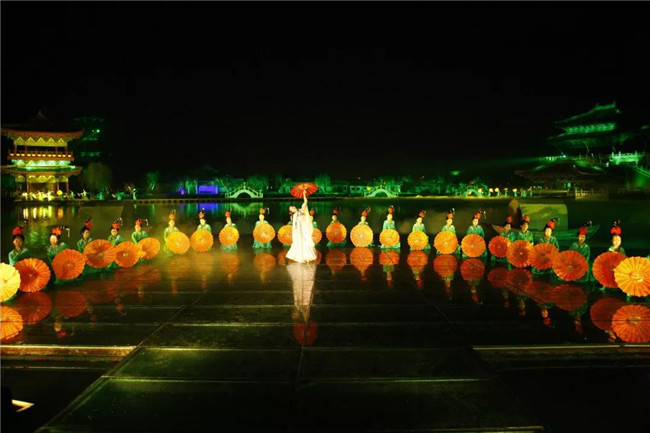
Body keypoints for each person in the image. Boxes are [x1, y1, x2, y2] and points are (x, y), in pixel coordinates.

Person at [286, 190, 317, 263]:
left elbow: (305, 202)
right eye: (291, 208)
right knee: (299, 243)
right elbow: (295, 226)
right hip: (299, 231)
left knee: (305, 243)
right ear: (291, 211)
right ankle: (298, 257)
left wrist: (304, 194)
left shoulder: (301, 211)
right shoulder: (294, 216)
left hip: (304, 230)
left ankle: (306, 256)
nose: (293, 207)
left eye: (292, 206)